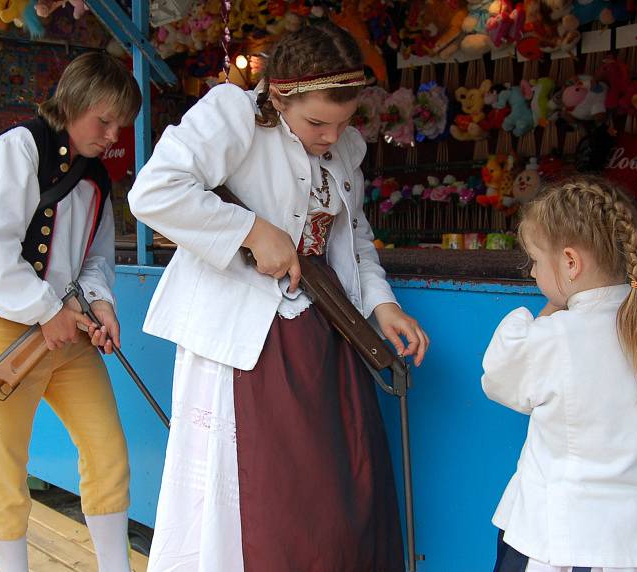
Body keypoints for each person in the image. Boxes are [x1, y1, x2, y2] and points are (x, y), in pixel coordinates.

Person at [128, 21, 429, 572]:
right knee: (262, 492)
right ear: (278, 94)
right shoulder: (233, 115)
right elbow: (152, 191)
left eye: (342, 123)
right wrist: (250, 231)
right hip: (243, 337)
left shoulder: (347, 149)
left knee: (337, 491)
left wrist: (382, 303)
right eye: (318, 122)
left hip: (324, 331)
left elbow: (352, 234)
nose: (331, 137)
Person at [0, 51, 142, 572]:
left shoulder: (98, 178)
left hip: (67, 331)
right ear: (73, 102)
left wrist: (100, 304)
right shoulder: (21, 148)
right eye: (103, 120)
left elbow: (95, 258)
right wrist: (44, 308)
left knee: (108, 450)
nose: (111, 135)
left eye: (118, 125)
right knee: (6, 466)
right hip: (5, 330)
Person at [482, 177, 637, 572]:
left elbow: (498, 380)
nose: (533, 273)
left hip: (557, 546)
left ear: (570, 262)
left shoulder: (549, 339)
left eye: (536, 261)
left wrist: (551, 309)